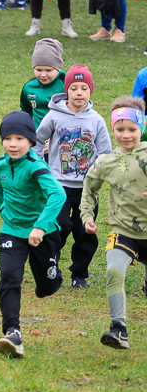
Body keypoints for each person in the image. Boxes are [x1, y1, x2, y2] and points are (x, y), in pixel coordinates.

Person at [0, 111, 65, 359]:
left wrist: (40, 226)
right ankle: (12, 332)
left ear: (31, 142)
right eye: (8, 138)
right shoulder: (1, 164)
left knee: (47, 286)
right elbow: (0, 189)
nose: (13, 144)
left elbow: (58, 195)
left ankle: (50, 280)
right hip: (12, 231)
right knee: (9, 276)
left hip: (42, 234)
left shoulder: (36, 167)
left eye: (19, 138)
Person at [81, 96, 147, 351]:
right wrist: (87, 216)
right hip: (122, 232)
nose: (126, 135)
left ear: (141, 128)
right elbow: (90, 187)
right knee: (113, 271)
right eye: (120, 129)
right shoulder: (105, 162)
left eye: (132, 129)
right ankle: (118, 328)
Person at [35, 65, 110, 285]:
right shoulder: (53, 116)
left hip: (87, 188)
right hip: (58, 185)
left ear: (90, 91)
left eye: (84, 88)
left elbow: (105, 153)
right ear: (66, 90)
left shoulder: (96, 120)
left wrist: (97, 175)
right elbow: (38, 142)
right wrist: (41, 169)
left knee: (84, 232)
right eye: (74, 88)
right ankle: (51, 264)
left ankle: (79, 274)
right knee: (58, 226)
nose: (79, 92)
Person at [20, 37, 66, 127]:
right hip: (38, 137)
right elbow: (25, 111)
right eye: (39, 70)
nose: (43, 74)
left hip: (61, 136)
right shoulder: (29, 87)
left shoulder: (67, 85)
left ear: (58, 68)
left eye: (48, 70)